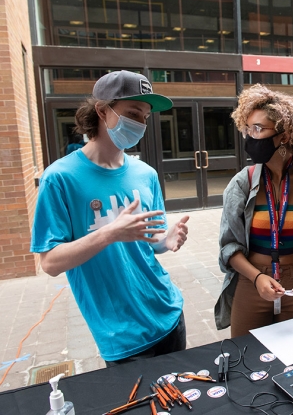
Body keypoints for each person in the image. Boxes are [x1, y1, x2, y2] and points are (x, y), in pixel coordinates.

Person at [30, 70, 190, 366]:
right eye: (133, 113)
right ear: (102, 110)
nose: (140, 124)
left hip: (168, 312)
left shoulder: (146, 174)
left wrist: (165, 241)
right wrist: (110, 232)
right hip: (121, 334)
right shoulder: (60, 179)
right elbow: (50, 262)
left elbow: (149, 242)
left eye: (144, 117)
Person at [215, 84, 293, 337]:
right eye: (248, 128)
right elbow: (229, 246)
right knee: (247, 358)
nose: (251, 136)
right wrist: (257, 278)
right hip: (252, 282)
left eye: (258, 129)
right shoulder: (242, 182)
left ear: (284, 135)